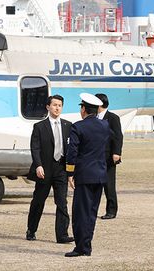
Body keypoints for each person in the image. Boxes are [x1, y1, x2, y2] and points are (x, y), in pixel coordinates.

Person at [65, 93, 110, 257]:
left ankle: (81, 247)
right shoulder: (105, 125)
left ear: (83, 109)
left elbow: (72, 152)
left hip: (84, 175)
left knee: (80, 213)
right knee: (91, 213)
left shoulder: (78, 126)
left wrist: (70, 172)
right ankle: (87, 245)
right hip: (99, 174)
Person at [26, 95, 74, 244]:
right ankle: (31, 230)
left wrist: (71, 171)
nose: (57, 108)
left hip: (61, 169)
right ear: (48, 107)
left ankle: (62, 235)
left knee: (62, 202)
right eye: (54, 105)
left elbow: (71, 149)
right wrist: (38, 165)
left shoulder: (68, 125)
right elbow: (35, 148)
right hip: (44, 170)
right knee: (38, 201)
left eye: (60, 105)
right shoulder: (39, 126)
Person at [95, 93, 123, 220]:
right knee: (95, 184)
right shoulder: (94, 117)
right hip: (95, 157)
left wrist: (116, 153)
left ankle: (111, 211)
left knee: (109, 185)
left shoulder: (113, 118)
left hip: (108, 157)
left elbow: (118, 136)